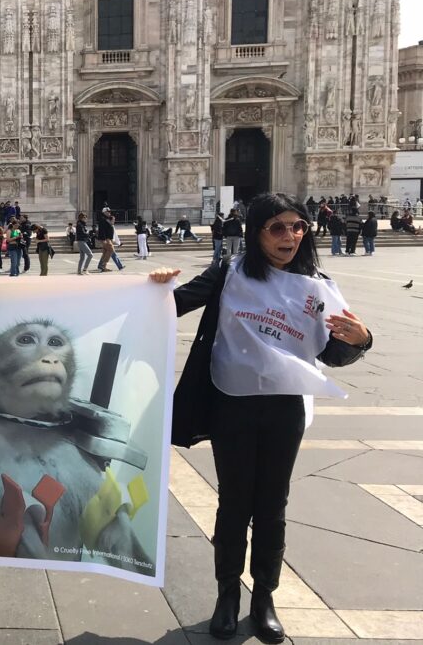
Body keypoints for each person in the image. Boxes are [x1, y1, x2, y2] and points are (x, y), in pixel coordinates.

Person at [150, 193, 372, 643]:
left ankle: (264, 598)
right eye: (277, 228)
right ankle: (227, 595)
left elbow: (332, 350)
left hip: (284, 407)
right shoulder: (229, 273)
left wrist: (361, 339)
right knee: (233, 504)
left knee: (272, 506)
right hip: (232, 403)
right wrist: (153, 286)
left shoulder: (317, 286)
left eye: (297, 227)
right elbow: (171, 306)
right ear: (255, 232)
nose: (289, 236)